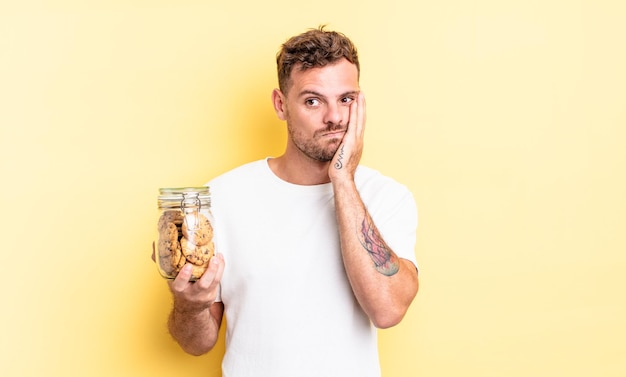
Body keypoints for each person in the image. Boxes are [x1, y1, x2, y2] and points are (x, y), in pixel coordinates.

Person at [162, 26, 419, 376]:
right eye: (313, 100)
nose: (334, 117)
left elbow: (388, 310)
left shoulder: (386, 196)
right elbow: (197, 343)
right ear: (281, 105)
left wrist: (342, 178)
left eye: (346, 99)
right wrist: (189, 306)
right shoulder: (221, 198)